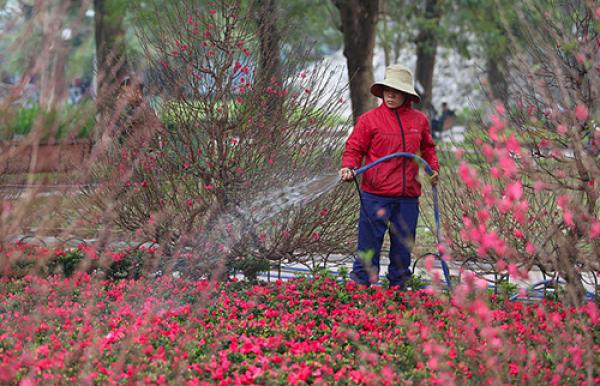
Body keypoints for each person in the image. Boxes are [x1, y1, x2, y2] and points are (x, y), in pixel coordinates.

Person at [339, 63, 439, 289]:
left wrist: (433, 169)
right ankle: (360, 294)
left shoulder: (419, 121)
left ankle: (398, 293)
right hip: (375, 196)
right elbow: (354, 148)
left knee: (402, 251)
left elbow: (428, 148)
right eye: (387, 89)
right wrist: (348, 167)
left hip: (407, 198)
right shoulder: (369, 120)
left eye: (396, 90)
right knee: (368, 248)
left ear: (406, 94)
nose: (390, 94)